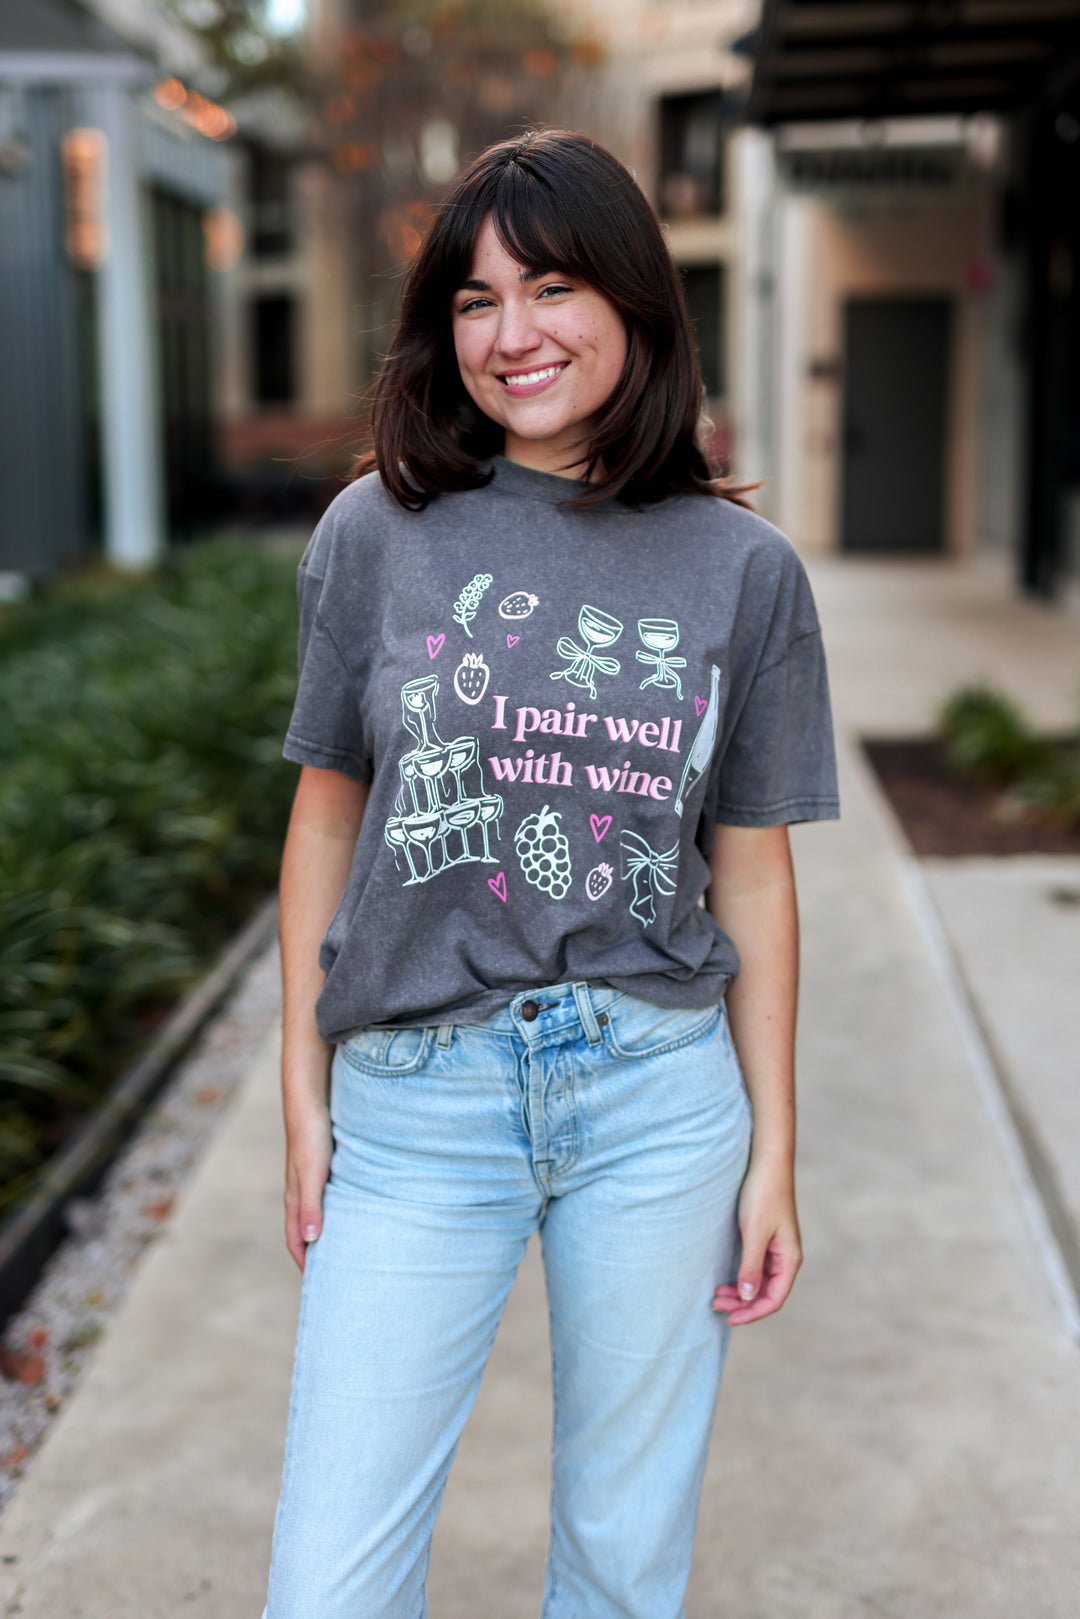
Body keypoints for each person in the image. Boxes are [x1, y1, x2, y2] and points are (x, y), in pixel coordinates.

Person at [263, 129, 839, 1619]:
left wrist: (775, 1148)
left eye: (555, 287)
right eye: (474, 300)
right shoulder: (373, 533)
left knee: (621, 1556)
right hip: (417, 1105)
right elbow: (327, 819)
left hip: (656, 1099)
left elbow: (755, 875)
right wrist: (302, 1094)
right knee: (329, 1583)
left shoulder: (742, 571)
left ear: (639, 305)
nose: (511, 335)